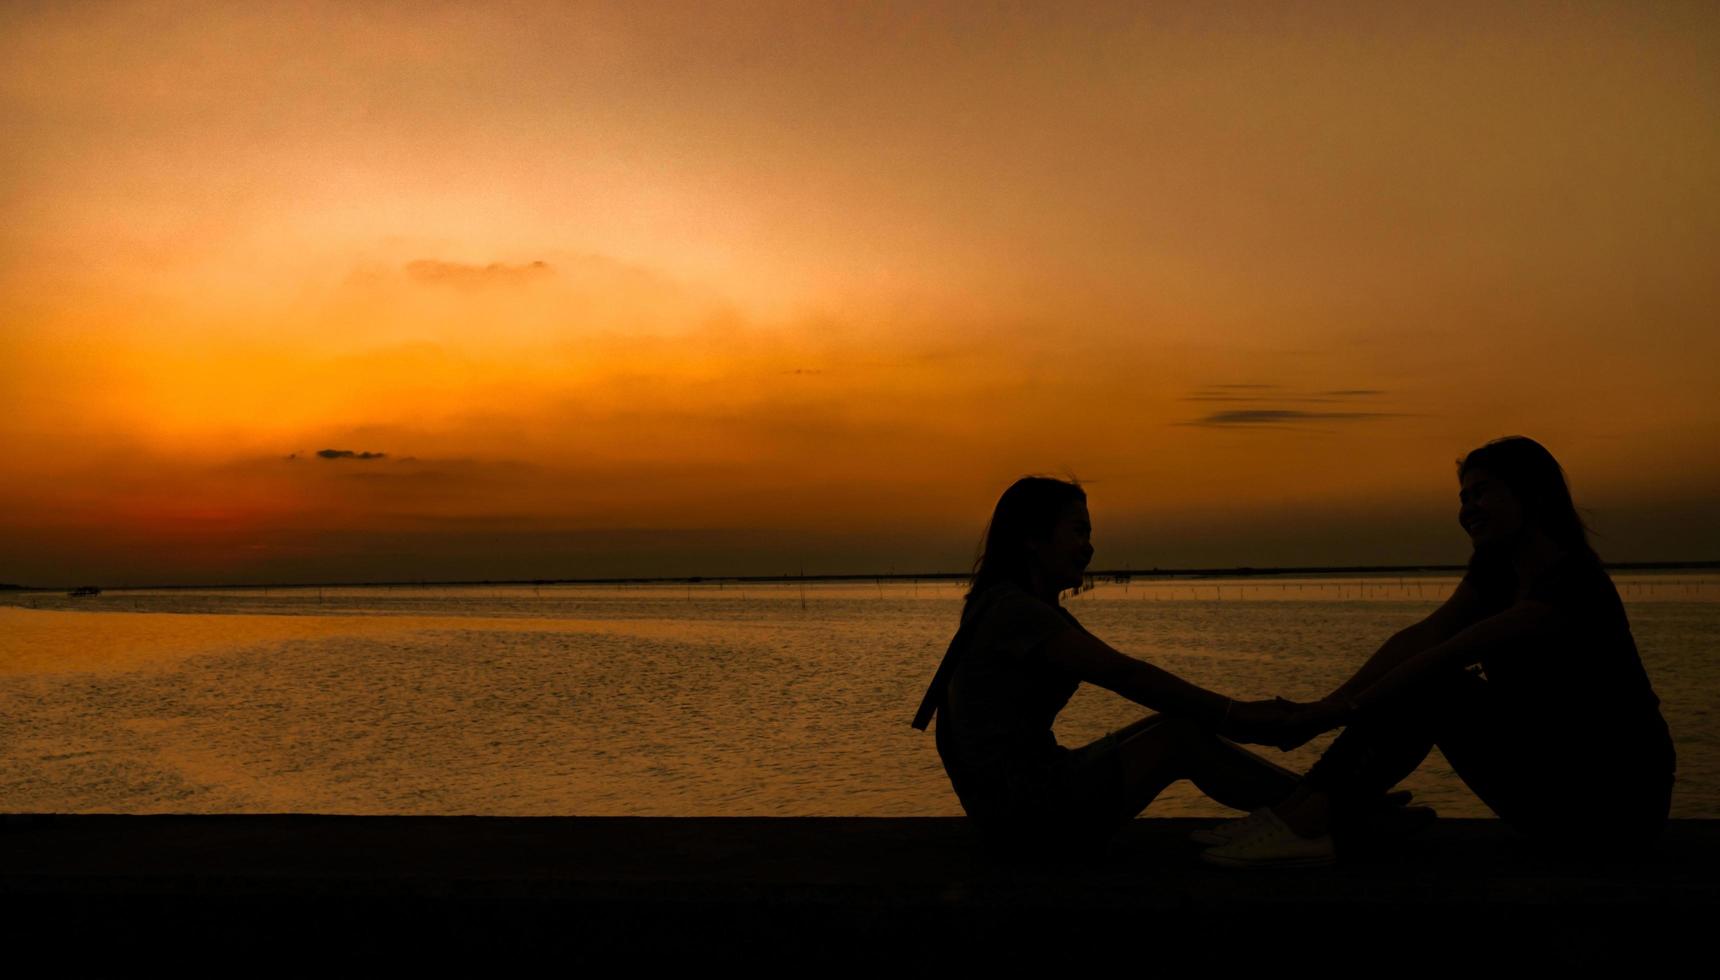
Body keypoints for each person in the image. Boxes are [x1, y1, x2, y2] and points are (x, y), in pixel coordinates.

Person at [1199, 436, 1676, 868]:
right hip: (1550, 779)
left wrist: (1333, 716)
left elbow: (1446, 655)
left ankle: (1308, 822)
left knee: (1434, 685)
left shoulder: (1572, 585)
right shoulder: (1498, 572)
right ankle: (1296, 812)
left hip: (1613, 809)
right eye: (1463, 497)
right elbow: (1425, 634)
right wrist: (1327, 705)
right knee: (1424, 679)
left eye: (1482, 492)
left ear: (1532, 495)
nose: (1468, 508)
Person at [912, 476, 1301, 861]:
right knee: (1178, 736)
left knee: (1171, 724)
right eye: (1078, 532)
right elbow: (1126, 676)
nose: (1089, 547)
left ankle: (1308, 804)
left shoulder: (1015, 607)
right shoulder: (1016, 613)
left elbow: (1124, 671)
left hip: (1013, 805)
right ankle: (1316, 810)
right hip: (1024, 814)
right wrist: (1238, 714)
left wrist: (1236, 717)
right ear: (1032, 538)